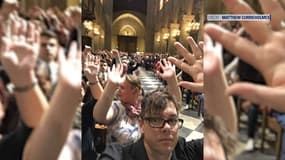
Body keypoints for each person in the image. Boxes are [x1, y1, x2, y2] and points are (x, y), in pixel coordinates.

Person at [93, 53, 182, 145]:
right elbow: (100, 116)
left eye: (122, 88)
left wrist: (172, 80)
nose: (119, 91)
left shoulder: (145, 106)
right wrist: (111, 86)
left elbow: (174, 104)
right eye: (118, 87)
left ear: (135, 91)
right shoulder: (117, 107)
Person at [98, 89, 203, 160]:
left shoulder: (184, 151)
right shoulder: (119, 155)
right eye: (156, 120)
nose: (167, 127)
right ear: (141, 124)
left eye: (172, 120)